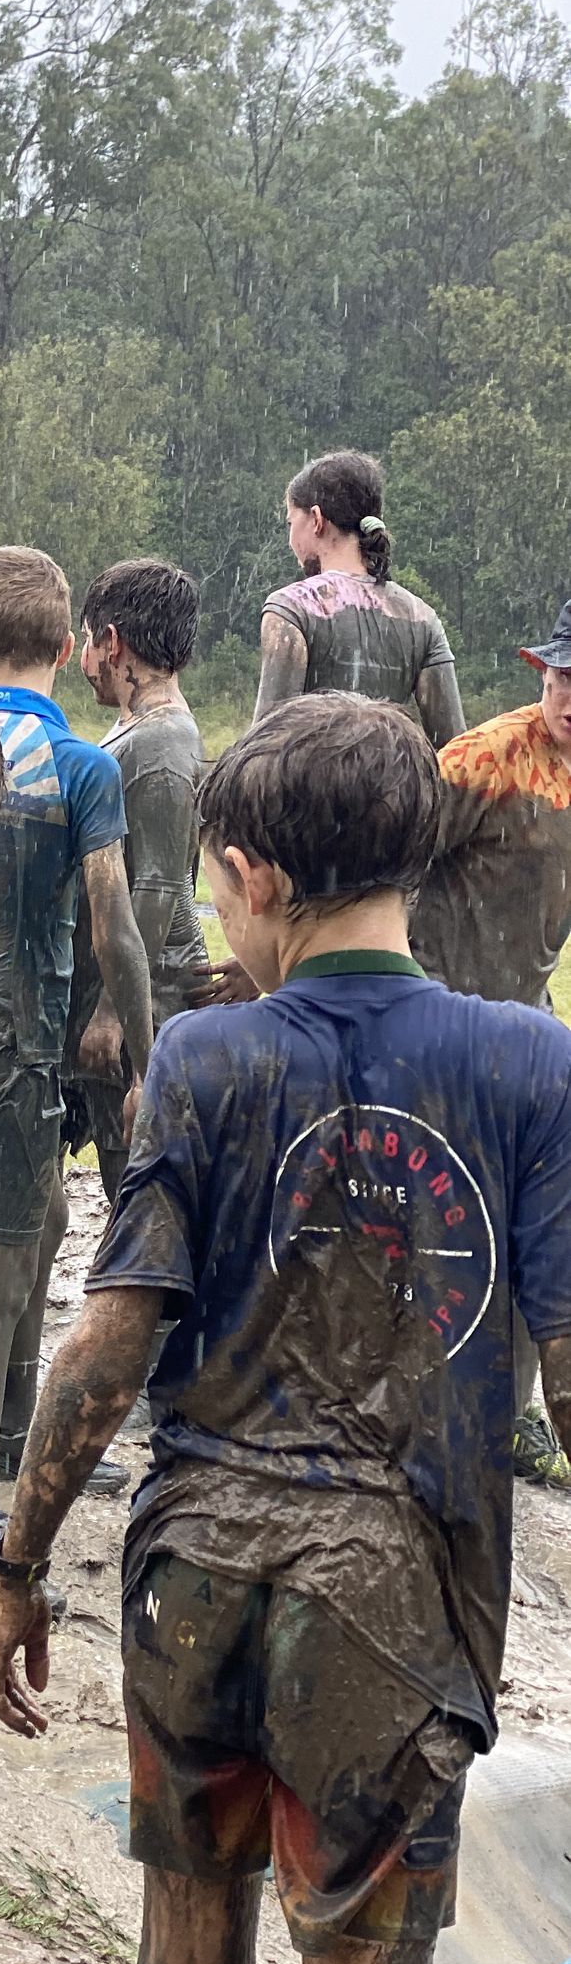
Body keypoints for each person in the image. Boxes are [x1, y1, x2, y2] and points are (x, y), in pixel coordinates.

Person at [0, 692, 571, 1964]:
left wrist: (16, 1564)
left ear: (248, 874)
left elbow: (106, 1346)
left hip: (193, 1579)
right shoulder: (527, 1066)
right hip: (389, 1612)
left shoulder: (206, 1058)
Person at [0, 546, 153, 1594]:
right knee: (0, 1277)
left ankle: (8, 1446)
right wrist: (144, 1057)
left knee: (33, 1222)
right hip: (17, 1041)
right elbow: (116, 929)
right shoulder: (83, 767)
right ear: (65, 647)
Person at [410, 594, 571, 1483]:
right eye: (559, 675)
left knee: (528, 1219)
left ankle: (512, 1413)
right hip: (438, 1010)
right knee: (433, 1210)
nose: (566, 696)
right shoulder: (483, 758)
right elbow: (394, 852)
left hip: (524, 1017)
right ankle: (412, 1399)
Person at [68, 559, 210, 1198]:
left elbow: (155, 887)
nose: (84, 660)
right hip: (138, 992)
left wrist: (113, 1014)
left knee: (141, 1182)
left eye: (88, 640)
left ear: (112, 642)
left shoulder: (161, 742)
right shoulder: (139, 729)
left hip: (151, 998)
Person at [254, 448, 464, 747]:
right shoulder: (422, 619)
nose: (290, 540)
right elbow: (455, 751)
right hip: (394, 778)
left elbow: (265, 747)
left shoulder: (291, 608)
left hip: (310, 779)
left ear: (316, 519)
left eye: (291, 522)